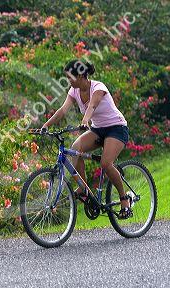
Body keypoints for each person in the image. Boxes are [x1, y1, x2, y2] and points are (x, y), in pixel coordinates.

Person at [41, 59, 132, 219]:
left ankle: (124, 199)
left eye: (70, 78)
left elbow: (92, 106)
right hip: (98, 130)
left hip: (117, 128)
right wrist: (45, 126)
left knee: (105, 163)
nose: (68, 81)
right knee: (75, 150)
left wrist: (85, 121)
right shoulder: (74, 91)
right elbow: (62, 110)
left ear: (81, 75)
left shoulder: (98, 87)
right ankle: (83, 188)